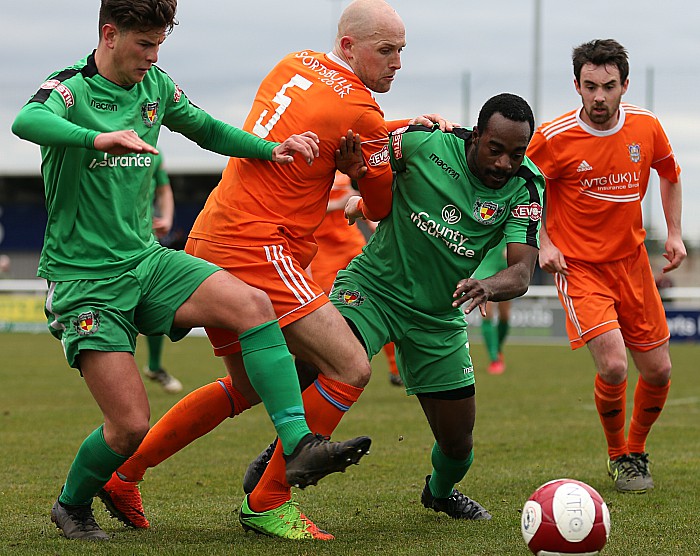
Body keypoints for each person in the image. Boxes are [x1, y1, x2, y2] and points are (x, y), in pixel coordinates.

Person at [11, 0, 372, 541]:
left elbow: (206, 128)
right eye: (144, 45)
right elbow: (25, 121)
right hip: (86, 282)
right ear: (109, 35)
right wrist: (97, 137)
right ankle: (72, 504)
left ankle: (298, 444)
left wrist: (270, 149)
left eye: (160, 44)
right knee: (129, 425)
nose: (153, 57)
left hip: (147, 262)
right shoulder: (70, 89)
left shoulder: (156, 86)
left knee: (252, 305)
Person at [97, 0, 447, 541]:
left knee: (244, 384)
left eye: (402, 50)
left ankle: (125, 474)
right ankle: (269, 499)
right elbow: (377, 206)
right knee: (350, 365)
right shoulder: (362, 113)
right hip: (261, 248)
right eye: (387, 50)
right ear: (350, 46)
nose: (397, 61)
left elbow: (331, 121)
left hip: (214, 233)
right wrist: (369, 160)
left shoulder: (296, 63)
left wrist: (395, 128)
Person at [526, 39, 685, 494]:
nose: (599, 97)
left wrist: (673, 233)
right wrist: (545, 241)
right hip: (580, 269)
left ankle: (636, 448)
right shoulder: (554, 138)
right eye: (590, 86)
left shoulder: (646, 127)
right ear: (576, 85)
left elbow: (671, 173)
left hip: (632, 264)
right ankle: (620, 458)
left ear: (624, 86)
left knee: (659, 372)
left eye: (608, 86)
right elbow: (521, 189)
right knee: (614, 365)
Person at [310, 171, 402, 386]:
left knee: (378, 300)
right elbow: (300, 208)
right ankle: (323, 369)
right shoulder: (306, 173)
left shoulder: (341, 172)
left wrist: (371, 218)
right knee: (322, 313)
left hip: (350, 243)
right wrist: (337, 205)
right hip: (321, 251)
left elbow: (353, 194)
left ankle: (396, 369)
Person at [142, 151, 182, 393]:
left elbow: (164, 188)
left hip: (145, 241)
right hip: (108, 244)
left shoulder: (151, 153)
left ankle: (155, 366)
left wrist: (165, 217)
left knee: (155, 301)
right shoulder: (101, 142)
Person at [472, 237, 512, 375]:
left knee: (505, 316)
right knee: (487, 313)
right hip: (487, 263)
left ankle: (497, 349)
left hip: (505, 263)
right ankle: (494, 359)